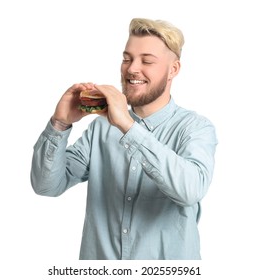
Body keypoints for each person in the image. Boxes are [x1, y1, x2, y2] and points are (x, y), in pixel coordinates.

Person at [31, 18, 217, 260]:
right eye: (127, 59)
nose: (131, 69)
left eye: (147, 61)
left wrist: (127, 126)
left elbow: (189, 190)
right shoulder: (101, 129)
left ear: (173, 69)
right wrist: (60, 123)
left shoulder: (196, 128)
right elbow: (46, 186)